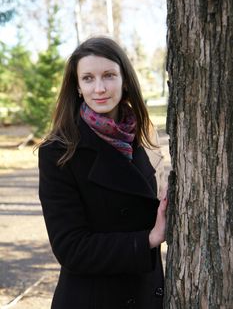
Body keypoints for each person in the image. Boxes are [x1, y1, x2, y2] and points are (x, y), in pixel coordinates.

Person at [38, 36, 168, 309]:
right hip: (93, 298)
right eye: (88, 78)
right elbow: (70, 247)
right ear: (77, 87)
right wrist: (149, 239)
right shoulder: (59, 152)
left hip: (145, 293)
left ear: (125, 81)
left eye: (108, 75)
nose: (99, 88)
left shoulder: (137, 137)